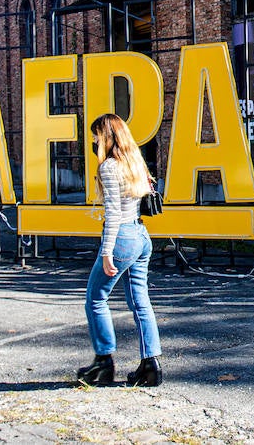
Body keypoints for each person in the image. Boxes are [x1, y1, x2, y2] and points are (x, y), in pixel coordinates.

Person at [76, 113, 163, 386]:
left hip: (122, 238)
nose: (92, 141)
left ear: (106, 137)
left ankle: (104, 362)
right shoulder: (135, 163)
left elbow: (113, 213)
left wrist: (106, 252)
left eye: (95, 136)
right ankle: (151, 365)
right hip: (141, 236)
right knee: (140, 302)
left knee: (95, 298)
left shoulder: (110, 167)